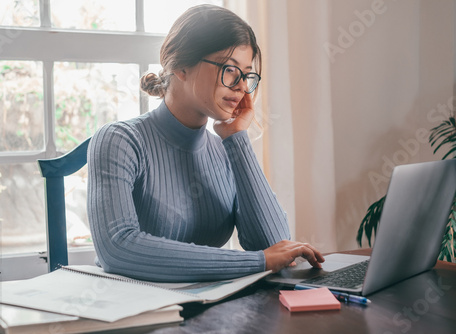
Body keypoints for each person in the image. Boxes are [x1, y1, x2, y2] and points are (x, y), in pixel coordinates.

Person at [87, 4, 324, 282]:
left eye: (247, 74)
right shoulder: (119, 140)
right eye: (230, 69)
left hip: (209, 310)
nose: (241, 86)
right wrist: (257, 261)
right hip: (139, 313)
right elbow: (118, 249)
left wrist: (237, 139)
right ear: (182, 67)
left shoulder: (226, 151)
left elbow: (273, 244)